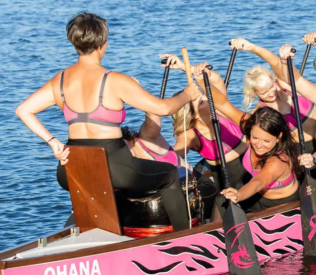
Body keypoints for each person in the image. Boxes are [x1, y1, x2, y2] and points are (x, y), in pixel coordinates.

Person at [15, 13, 199, 231]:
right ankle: (185, 238)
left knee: (109, 185)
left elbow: (23, 110)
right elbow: (163, 108)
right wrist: (187, 94)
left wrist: (53, 142)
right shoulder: (114, 80)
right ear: (102, 45)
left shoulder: (59, 80)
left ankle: (103, 233)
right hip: (113, 165)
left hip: (70, 169)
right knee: (168, 174)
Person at [162, 57, 248, 192]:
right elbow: (175, 156)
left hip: (254, 164)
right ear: (193, 115)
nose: (206, 97)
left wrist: (189, 68)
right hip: (230, 183)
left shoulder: (220, 110)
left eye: (202, 94)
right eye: (201, 101)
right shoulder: (190, 135)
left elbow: (217, 80)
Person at [230, 38, 316, 152]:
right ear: (254, 93)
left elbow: (274, 62)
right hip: (299, 151)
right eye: (264, 92)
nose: (271, 93)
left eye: (271, 87)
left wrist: (252, 47)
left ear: (272, 79)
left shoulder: (285, 85)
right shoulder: (260, 113)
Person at [220, 107, 301, 212]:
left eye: (266, 141)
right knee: (221, 201)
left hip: (280, 204)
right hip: (255, 193)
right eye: (255, 138)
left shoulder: (279, 160)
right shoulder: (252, 131)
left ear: (278, 137)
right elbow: (223, 105)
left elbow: (258, 182)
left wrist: (239, 195)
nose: (259, 145)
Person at [122, 113, 188, 168]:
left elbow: (152, 114)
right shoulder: (124, 165)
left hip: (190, 178)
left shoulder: (147, 138)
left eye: (120, 142)